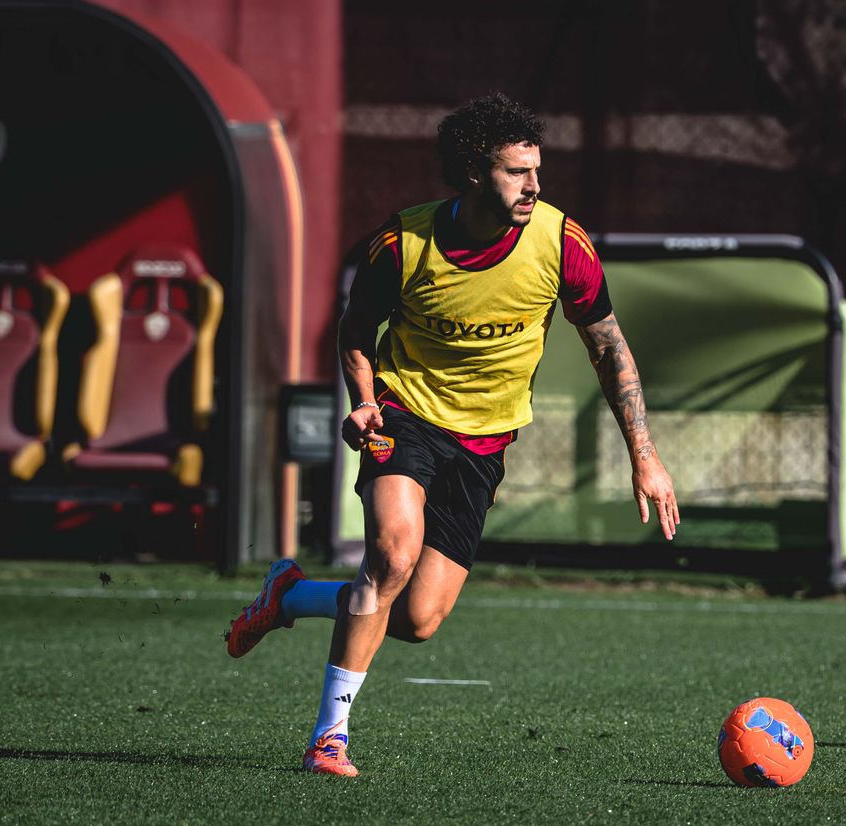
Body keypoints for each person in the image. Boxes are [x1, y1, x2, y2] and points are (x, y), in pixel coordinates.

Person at [225, 93, 679, 777]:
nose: (534, 185)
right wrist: (365, 401)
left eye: (536, 169)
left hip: (485, 442)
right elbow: (356, 332)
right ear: (472, 172)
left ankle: (288, 596)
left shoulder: (563, 244)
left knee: (417, 619)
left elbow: (609, 347)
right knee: (390, 555)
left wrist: (645, 457)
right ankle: (328, 739)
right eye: (516, 172)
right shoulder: (402, 244)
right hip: (405, 414)